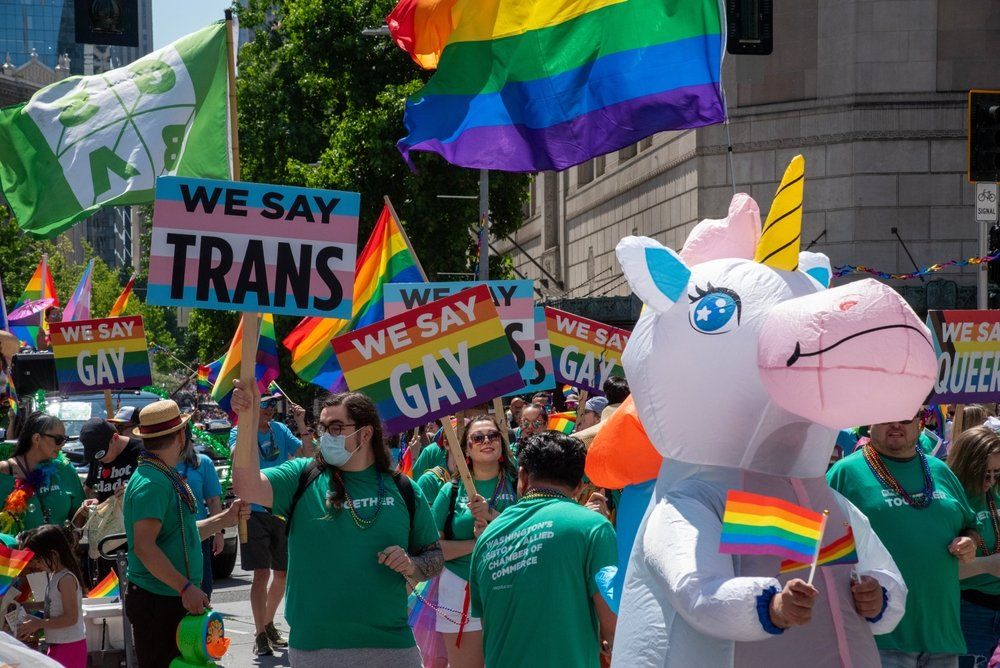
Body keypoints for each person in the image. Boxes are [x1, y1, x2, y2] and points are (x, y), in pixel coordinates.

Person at [231, 380, 443, 668]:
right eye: (322, 427)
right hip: (316, 649)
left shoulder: (404, 488)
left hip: (391, 648)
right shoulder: (302, 477)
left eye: (335, 428)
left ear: (365, 433)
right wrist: (248, 419)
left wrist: (411, 565)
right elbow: (246, 486)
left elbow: (434, 556)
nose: (326, 436)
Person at [828, 412, 980, 668]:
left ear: (919, 424)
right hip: (879, 638)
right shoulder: (845, 473)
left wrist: (969, 542)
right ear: (870, 421)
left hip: (942, 637)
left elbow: (970, 525)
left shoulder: (939, 470)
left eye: (906, 418)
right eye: (887, 416)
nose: (896, 424)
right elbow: (819, 542)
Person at [469, 431, 617, 667]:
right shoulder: (593, 527)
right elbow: (614, 628)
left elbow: (488, 624)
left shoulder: (487, 537)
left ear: (523, 476)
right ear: (579, 486)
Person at [123, 400, 248, 668]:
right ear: (181, 435)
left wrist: (225, 519)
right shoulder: (152, 482)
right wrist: (185, 587)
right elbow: (145, 548)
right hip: (159, 600)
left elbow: (181, 534)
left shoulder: (162, 474)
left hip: (170, 597)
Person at [228, 391, 313, 656]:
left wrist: (301, 424)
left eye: (273, 404)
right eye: (265, 404)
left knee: (282, 574)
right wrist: (249, 424)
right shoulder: (240, 430)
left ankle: (268, 622)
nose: (270, 409)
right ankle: (260, 632)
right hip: (253, 510)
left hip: (280, 509)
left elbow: (307, 455)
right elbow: (235, 456)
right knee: (261, 573)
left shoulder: (279, 429)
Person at [432, 415, 517, 667]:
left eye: (492, 436)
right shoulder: (451, 491)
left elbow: (533, 532)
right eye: (477, 438)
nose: (486, 441)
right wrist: (477, 544)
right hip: (460, 588)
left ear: (502, 444)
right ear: (466, 449)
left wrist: (491, 515)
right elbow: (432, 548)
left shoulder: (520, 484)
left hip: (512, 583)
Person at [949, 427, 1000, 668]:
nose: (990, 482)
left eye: (997, 473)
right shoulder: (951, 501)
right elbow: (939, 569)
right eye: (985, 474)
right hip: (969, 611)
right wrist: (988, 565)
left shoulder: (995, 494)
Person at [0, 412, 86, 534]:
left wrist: (75, 536)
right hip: (17, 552)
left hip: (57, 550)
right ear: (37, 439)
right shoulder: (4, 472)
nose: (62, 445)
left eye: (64, 439)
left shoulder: (64, 469)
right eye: (58, 439)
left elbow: (80, 510)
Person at [18, 525, 87, 668]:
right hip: (59, 645)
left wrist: (38, 623)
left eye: (37, 560)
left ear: (53, 554)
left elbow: (70, 618)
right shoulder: (55, 575)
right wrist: (28, 606)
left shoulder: (66, 579)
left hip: (69, 646)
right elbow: (54, 605)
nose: (35, 565)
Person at [176, 423, 224, 599]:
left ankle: (200, 625)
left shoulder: (203, 463)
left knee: (203, 587)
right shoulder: (160, 465)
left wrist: (219, 533)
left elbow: (213, 500)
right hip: (170, 535)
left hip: (199, 534)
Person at [80, 417, 141, 502]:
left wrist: (134, 490)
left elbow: (156, 487)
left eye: (101, 454)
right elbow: (93, 489)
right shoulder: (96, 456)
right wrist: (94, 502)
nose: (100, 460)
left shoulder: (140, 453)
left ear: (115, 438)